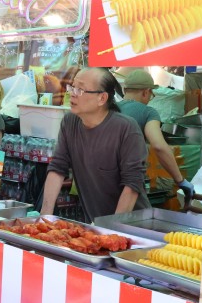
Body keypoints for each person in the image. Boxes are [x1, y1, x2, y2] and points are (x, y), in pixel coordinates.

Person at [40, 68, 150, 223]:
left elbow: (132, 184)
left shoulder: (126, 128)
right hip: (95, 224)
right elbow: (57, 168)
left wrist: (111, 229)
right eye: (72, 87)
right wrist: (44, 216)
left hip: (133, 226)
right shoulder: (69, 122)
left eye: (80, 89)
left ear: (102, 98)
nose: (72, 94)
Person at [117, 69, 195, 202]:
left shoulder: (109, 109)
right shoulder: (148, 112)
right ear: (146, 92)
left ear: (125, 90)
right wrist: (181, 180)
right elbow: (159, 146)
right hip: (128, 182)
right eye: (151, 95)